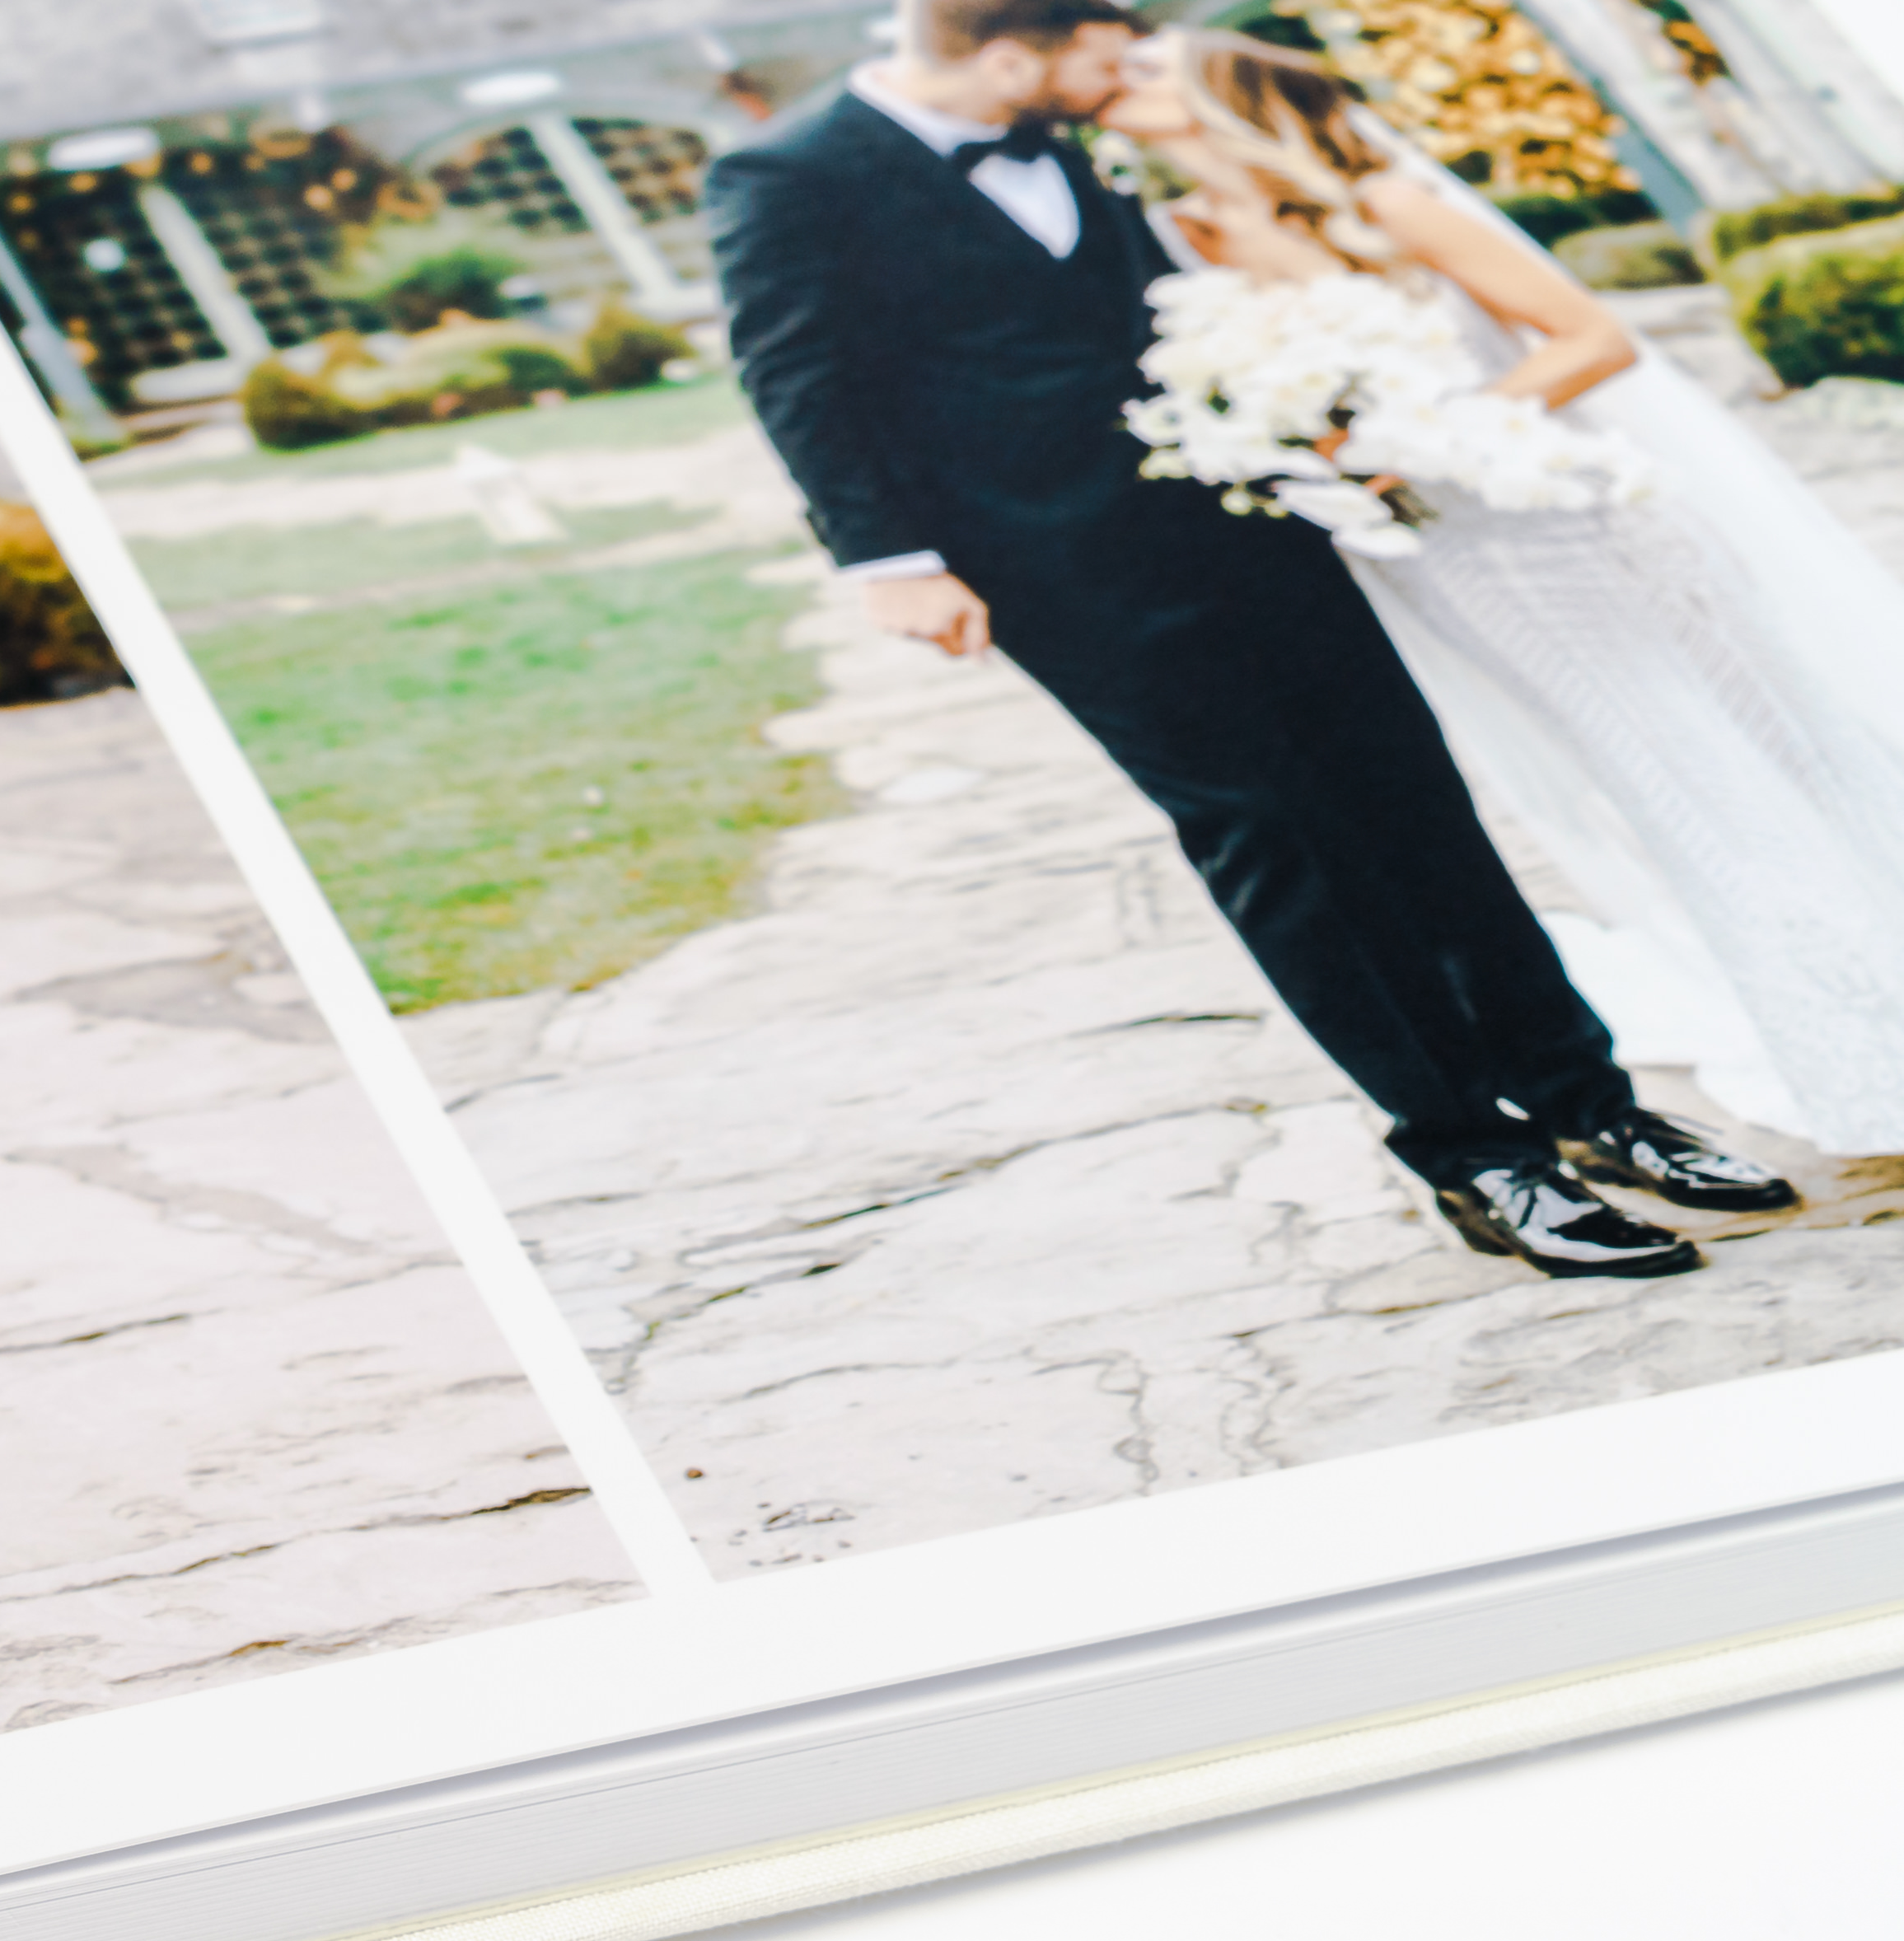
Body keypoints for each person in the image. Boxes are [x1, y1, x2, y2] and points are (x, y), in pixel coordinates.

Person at [705, 0, 1794, 1279]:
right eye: (1102, 52)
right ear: (1010, 53)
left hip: (1257, 518)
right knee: (1274, 837)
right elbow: (794, 373)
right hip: (1059, 572)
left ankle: (1592, 1106)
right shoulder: (787, 173)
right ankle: (1471, 1155)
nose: (1121, 78)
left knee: (1418, 803)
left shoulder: (1075, 135)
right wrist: (888, 561)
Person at [1104, 25, 1904, 1154]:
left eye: (1145, 67)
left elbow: (1590, 339)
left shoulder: (1382, 199)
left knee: (1762, 746)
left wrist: (1424, 430)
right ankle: (1844, 1024)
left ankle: (1875, 1023)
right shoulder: (1178, 235)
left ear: (1216, 97)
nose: (1112, 83)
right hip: (1441, 556)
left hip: (1561, 513)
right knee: (1645, 770)